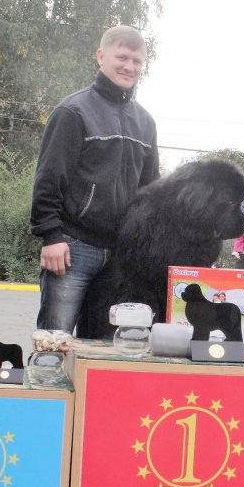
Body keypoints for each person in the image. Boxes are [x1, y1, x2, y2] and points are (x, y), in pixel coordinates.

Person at [30, 25, 159, 335]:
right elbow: (49, 177)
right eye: (122, 57)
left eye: (137, 61)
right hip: (72, 248)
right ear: (101, 56)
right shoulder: (73, 111)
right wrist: (50, 236)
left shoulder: (146, 122)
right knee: (54, 344)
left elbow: (150, 191)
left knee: (104, 351)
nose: (129, 66)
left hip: (120, 255)